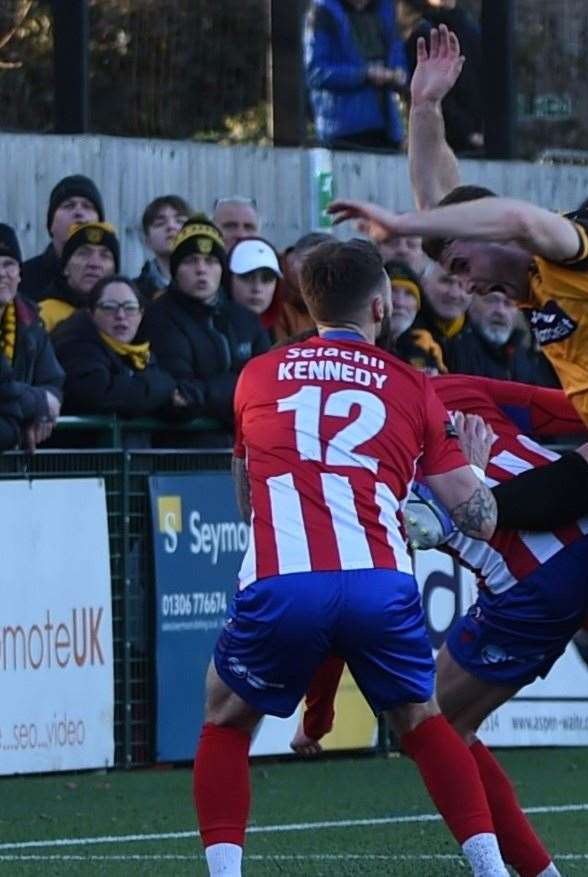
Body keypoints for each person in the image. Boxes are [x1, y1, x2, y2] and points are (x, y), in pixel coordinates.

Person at [331, 31, 588, 811]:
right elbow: (449, 208)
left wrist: (397, 224)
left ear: (493, 241)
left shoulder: (584, 244)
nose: (456, 279)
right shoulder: (527, 288)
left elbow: (513, 219)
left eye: (458, 262)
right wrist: (424, 109)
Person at [193, 238, 509, 877]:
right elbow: (480, 517)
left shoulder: (258, 374)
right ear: (381, 305)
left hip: (283, 578)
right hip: (379, 582)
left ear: (306, 304)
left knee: (225, 720)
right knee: (422, 721)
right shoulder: (413, 386)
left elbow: (245, 498)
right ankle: (489, 868)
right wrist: (472, 468)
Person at [294, 373, 588, 877]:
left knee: (438, 726)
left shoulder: (342, 457)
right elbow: (576, 409)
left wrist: (318, 710)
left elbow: (347, 586)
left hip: (537, 582)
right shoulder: (445, 384)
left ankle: (530, 872)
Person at [140, 217, 269, 430]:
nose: (201, 269)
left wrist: (202, 394)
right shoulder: (159, 317)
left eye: (210, 261)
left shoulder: (245, 319)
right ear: (176, 270)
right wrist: (238, 388)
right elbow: (176, 393)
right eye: (191, 260)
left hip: (242, 447)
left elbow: (265, 386)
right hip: (182, 449)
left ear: (221, 269)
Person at [51, 276, 185, 421]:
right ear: (91, 313)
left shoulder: (141, 346)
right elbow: (102, 396)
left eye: (130, 308)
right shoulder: (74, 344)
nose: (121, 316)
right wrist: (163, 389)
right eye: (109, 307)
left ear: (141, 314)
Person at [304, 0, 407, 150]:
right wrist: (363, 75)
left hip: (387, 129)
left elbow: (398, 54)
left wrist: (399, 74)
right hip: (342, 133)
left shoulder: (386, 9)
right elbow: (315, 72)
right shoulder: (322, 12)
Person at [0, 223, 64, 451]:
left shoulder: (31, 320)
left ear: (19, 274)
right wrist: (38, 404)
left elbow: (53, 382)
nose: (1, 274)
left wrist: (39, 415)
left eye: (8, 265)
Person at [406, 1, 484, 153]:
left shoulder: (471, 30)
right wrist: (468, 133)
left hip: (465, 139)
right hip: (447, 139)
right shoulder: (425, 31)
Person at [447, 288, 559, 386]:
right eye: (490, 300)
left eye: (508, 303)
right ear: (471, 304)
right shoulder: (454, 351)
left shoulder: (525, 360)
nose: (500, 311)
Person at [19, 174, 104, 300]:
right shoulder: (22, 279)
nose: (79, 212)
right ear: (51, 224)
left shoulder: (110, 283)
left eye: (87, 206)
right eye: (69, 205)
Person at [38, 221, 120, 332]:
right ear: (66, 268)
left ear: (114, 271)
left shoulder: (124, 315)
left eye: (105, 256)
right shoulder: (42, 314)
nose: (94, 264)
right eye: (84, 254)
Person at [386, 260, 448, 372]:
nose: (400, 302)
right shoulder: (361, 341)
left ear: (418, 305)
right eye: (392, 291)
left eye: (409, 294)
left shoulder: (428, 346)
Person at [136, 195, 191, 300]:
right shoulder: (135, 292)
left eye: (180, 221)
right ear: (147, 240)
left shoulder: (212, 287)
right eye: (160, 223)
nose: (171, 226)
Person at [228, 237, 283, 325]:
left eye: (267, 279)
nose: (257, 288)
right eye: (247, 277)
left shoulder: (287, 329)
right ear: (229, 279)